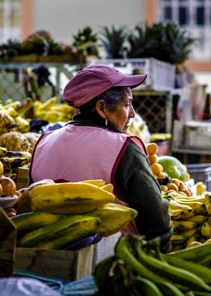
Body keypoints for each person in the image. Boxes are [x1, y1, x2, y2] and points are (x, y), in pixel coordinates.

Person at [29, 64, 172, 252]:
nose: (133, 114)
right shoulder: (124, 148)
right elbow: (157, 224)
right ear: (102, 108)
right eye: (127, 104)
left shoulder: (44, 142)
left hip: (46, 260)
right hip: (113, 264)